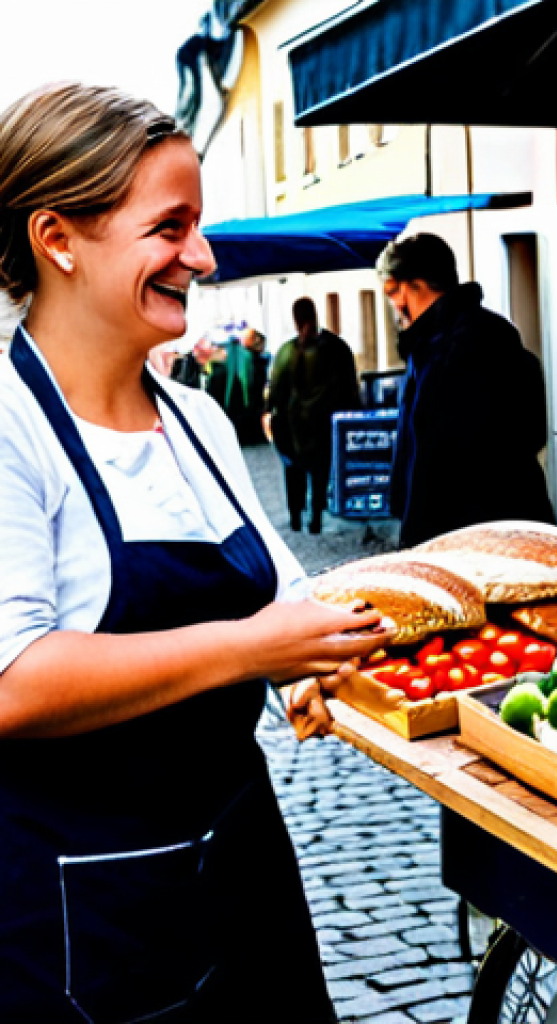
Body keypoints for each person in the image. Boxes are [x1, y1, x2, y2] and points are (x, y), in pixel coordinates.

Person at [0, 82, 392, 1022]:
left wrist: (332, 660)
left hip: (242, 865)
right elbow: (16, 679)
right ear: (58, 239)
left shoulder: (201, 419)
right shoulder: (11, 427)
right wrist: (253, 652)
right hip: (82, 909)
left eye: (198, 226)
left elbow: (287, 601)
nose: (203, 257)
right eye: (169, 228)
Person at [377, 232, 555, 548]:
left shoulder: (453, 347)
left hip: (474, 543)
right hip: (496, 533)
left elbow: (435, 464)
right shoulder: (449, 340)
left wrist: (419, 547)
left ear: (413, 287)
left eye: (393, 292)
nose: (394, 305)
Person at [268, 297, 361, 533]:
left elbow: (275, 392)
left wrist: (273, 416)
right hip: (323, 424)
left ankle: (295, 516)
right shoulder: (335, 348)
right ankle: (316, 517)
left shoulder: (286, 352)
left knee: (293, 472)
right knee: (320, 471)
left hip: (292, 426)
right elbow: (349, 387)